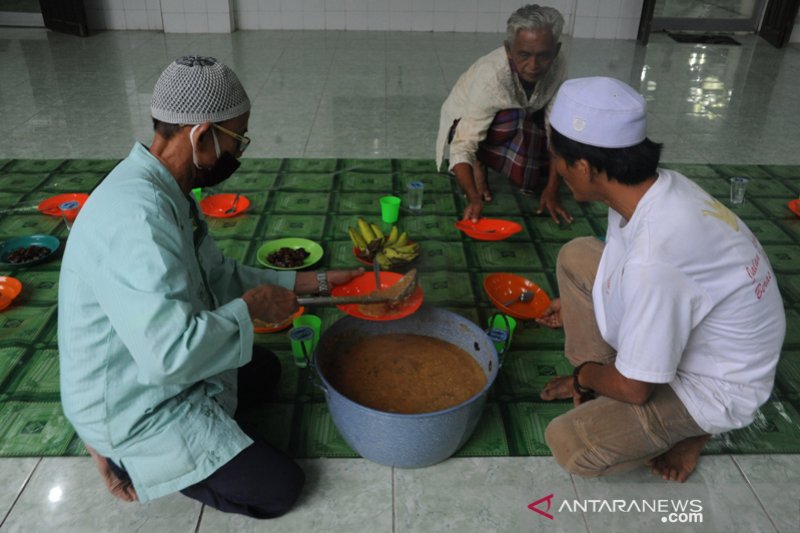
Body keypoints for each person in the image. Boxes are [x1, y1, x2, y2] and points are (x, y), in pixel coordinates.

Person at [58, 56, 363, 518]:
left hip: (152, 366)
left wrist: (317, 281)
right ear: (201, 135)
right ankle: (135, 461)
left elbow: (217, 277)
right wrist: (252, 306)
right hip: (135, 405)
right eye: (236, 139)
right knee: (280, 488)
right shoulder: (137, 220)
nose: (239, 154)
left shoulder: (163, 188)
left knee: (264, 369)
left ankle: (210, 437)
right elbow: (168, 356)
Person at [536, 76, 786, 482]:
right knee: (577, 256)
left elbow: (638, 389)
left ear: (583, 166)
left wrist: (583, 372)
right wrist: (602, 297)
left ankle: (692, 429)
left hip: (718, 383)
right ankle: (603, 383)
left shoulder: (656, 259)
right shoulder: (653, 188)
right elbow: (635, 263)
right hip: (696, 323)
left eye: (559, 160)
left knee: (572, 445)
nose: (557, 170)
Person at [435, 4, 572, 224]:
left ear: (555, 51)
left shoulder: (559, 64)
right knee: (510, 119)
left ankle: (512, 156)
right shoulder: (492, 78)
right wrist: (473, 199)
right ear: (509, 49)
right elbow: (462, 145)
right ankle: (479, 163)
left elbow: (556, 128)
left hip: (526, 113)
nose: (533, 65)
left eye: (543, 56)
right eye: (524, 55)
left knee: (535, 178)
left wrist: (552, 189)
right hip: (473, 120)